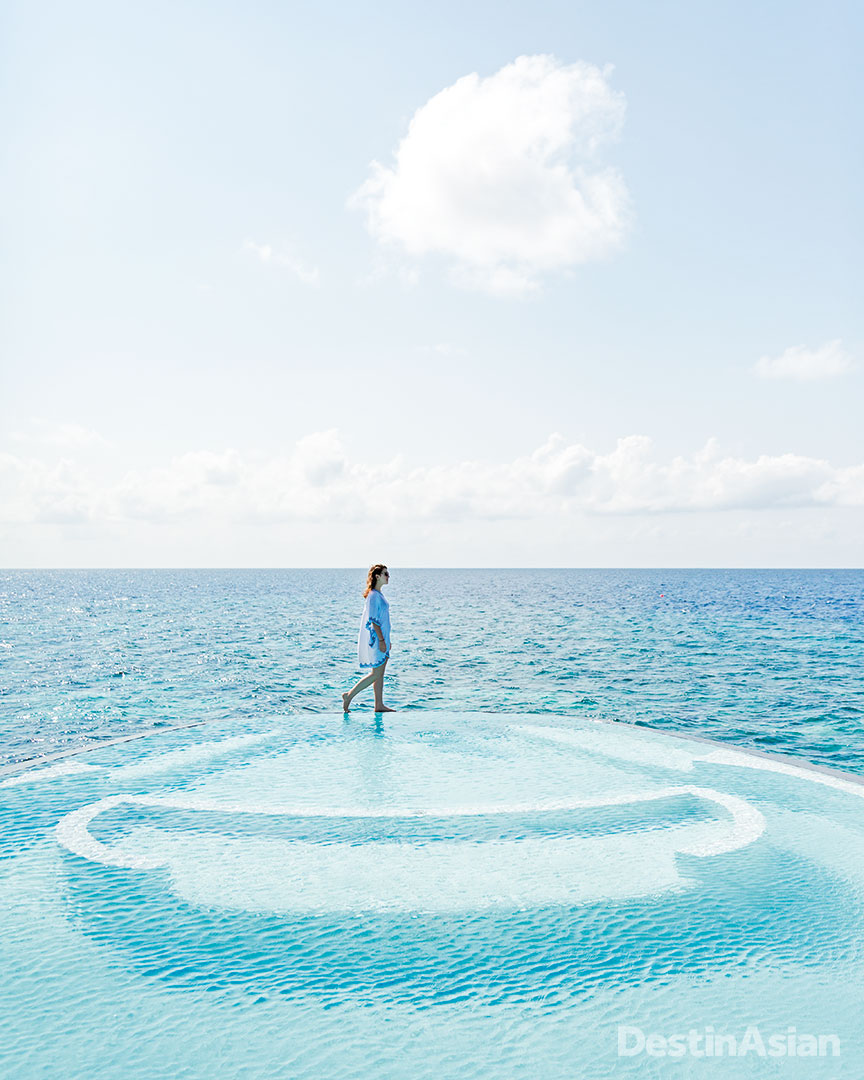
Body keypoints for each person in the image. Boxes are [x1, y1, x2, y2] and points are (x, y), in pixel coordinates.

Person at [342, 564, 395, 713]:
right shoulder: (373, 596)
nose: (388, 576)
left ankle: (379, 705)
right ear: (377, 576)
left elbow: (382, 619)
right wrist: (382, 641)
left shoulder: (378, 594)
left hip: (383, 638)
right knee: (376, 674)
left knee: (380, 674)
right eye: (385, 574)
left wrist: (387, 639)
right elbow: (373, 620)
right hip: (378, 640)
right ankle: (349, 696)